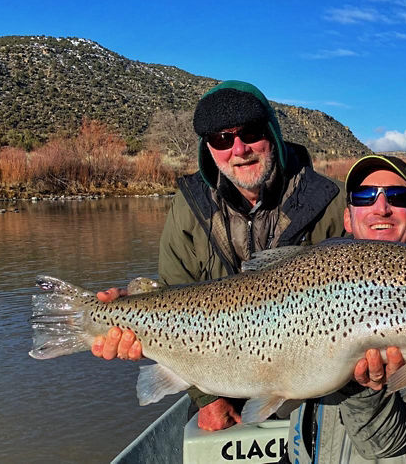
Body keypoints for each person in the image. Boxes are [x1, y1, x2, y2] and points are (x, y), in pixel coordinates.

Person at [91, 80, 347, 430]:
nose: (238, 149)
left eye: (250, 132)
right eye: (221, 140)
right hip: (212, 373)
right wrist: (207, 399)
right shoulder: (189, 207)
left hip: (311, 388)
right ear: (208, 148)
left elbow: (395, 251)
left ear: (271, 131)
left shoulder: (330, 200)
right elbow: (173, 295)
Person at [280, 154, 406, 463]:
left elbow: (384, 446)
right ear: (348, 219)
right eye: (364, 197)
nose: (381, 207)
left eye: (398, 196)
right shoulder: (319, 272)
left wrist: (364, 387)